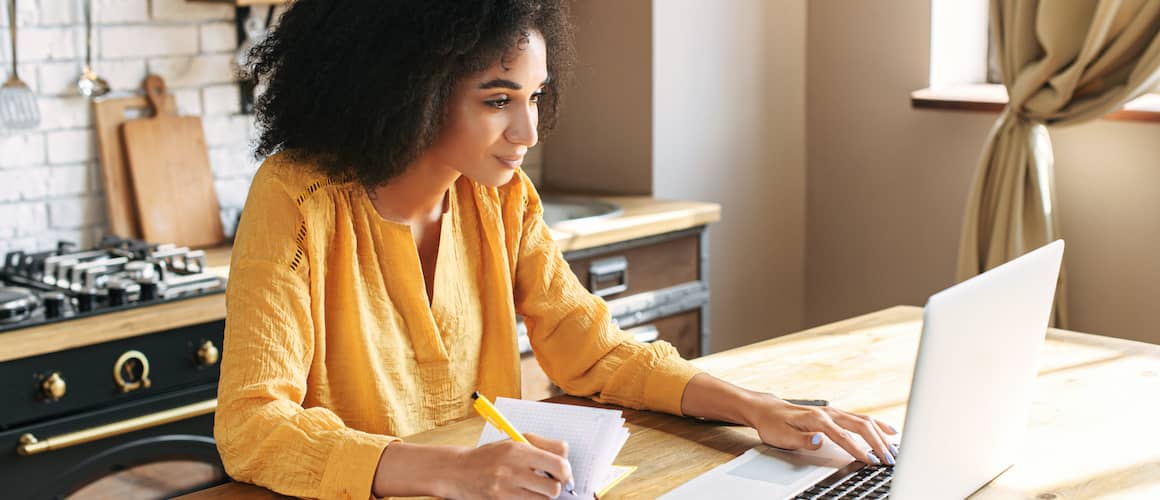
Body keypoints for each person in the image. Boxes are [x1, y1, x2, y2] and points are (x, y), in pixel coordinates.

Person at [214, 1, 899, 498]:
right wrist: (457, 473)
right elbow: (254, 426)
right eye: (497, 99)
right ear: (406, 90)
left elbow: (592, 350)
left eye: (535, 96)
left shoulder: (498, 197)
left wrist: (757, 408)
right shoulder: (297, 198)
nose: (527, 131)